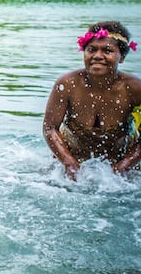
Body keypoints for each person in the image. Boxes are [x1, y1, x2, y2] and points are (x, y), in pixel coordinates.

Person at [43, 21, 141, 180]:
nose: (97, 56)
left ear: (121, 57)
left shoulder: (135, 89)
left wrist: (123, 166)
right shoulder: (67, 84)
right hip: (73, 161)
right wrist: (69, 164)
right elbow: (50, 128)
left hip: (119, 166)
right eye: (91, 50)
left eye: (107, 51)